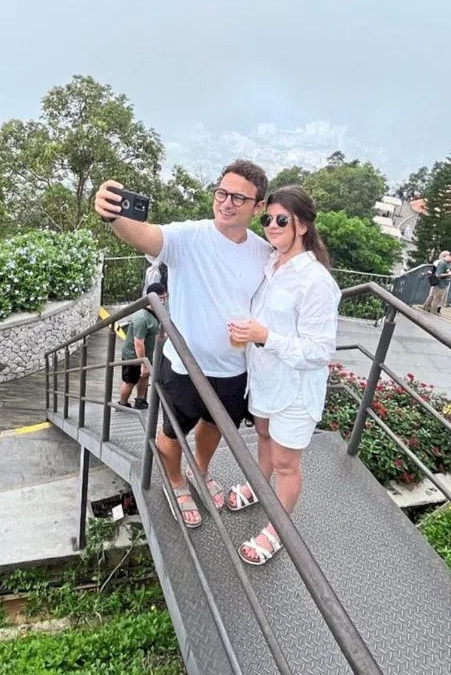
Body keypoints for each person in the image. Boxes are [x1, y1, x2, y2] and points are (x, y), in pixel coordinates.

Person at [94, 159, 272, 528]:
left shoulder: (263, 252)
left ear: (258, 207)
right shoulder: (189, 236)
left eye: (239, 198)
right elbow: (143, 234)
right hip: (184, 365)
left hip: (236, 368)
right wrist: (112, 215)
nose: (227, 202)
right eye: (222, 192)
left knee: (217, 425)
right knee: (173, 431)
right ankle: (176, 482)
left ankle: (201, 471)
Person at [223, 187, 341, 565]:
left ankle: (277, 530)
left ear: (302, 226)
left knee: (287, 464)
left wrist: (264, 336)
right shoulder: (271, 264)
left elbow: (319, 352)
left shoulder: (316, 282)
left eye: (281, 220)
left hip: (294, 390)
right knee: (262, 436)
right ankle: (260, 487)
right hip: (265, 380)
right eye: (267, 219)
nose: (272, 226)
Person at [119, 282, 168, 410]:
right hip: (133, 355)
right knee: (130, 381)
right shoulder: (142, 318)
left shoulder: (159, 311)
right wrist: (143, 363)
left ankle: (140, 400)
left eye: (165, 298)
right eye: (161, 299)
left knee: (145, 376)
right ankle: (122, 404)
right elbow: (138, 343)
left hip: (148, 353)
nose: (164, 301)